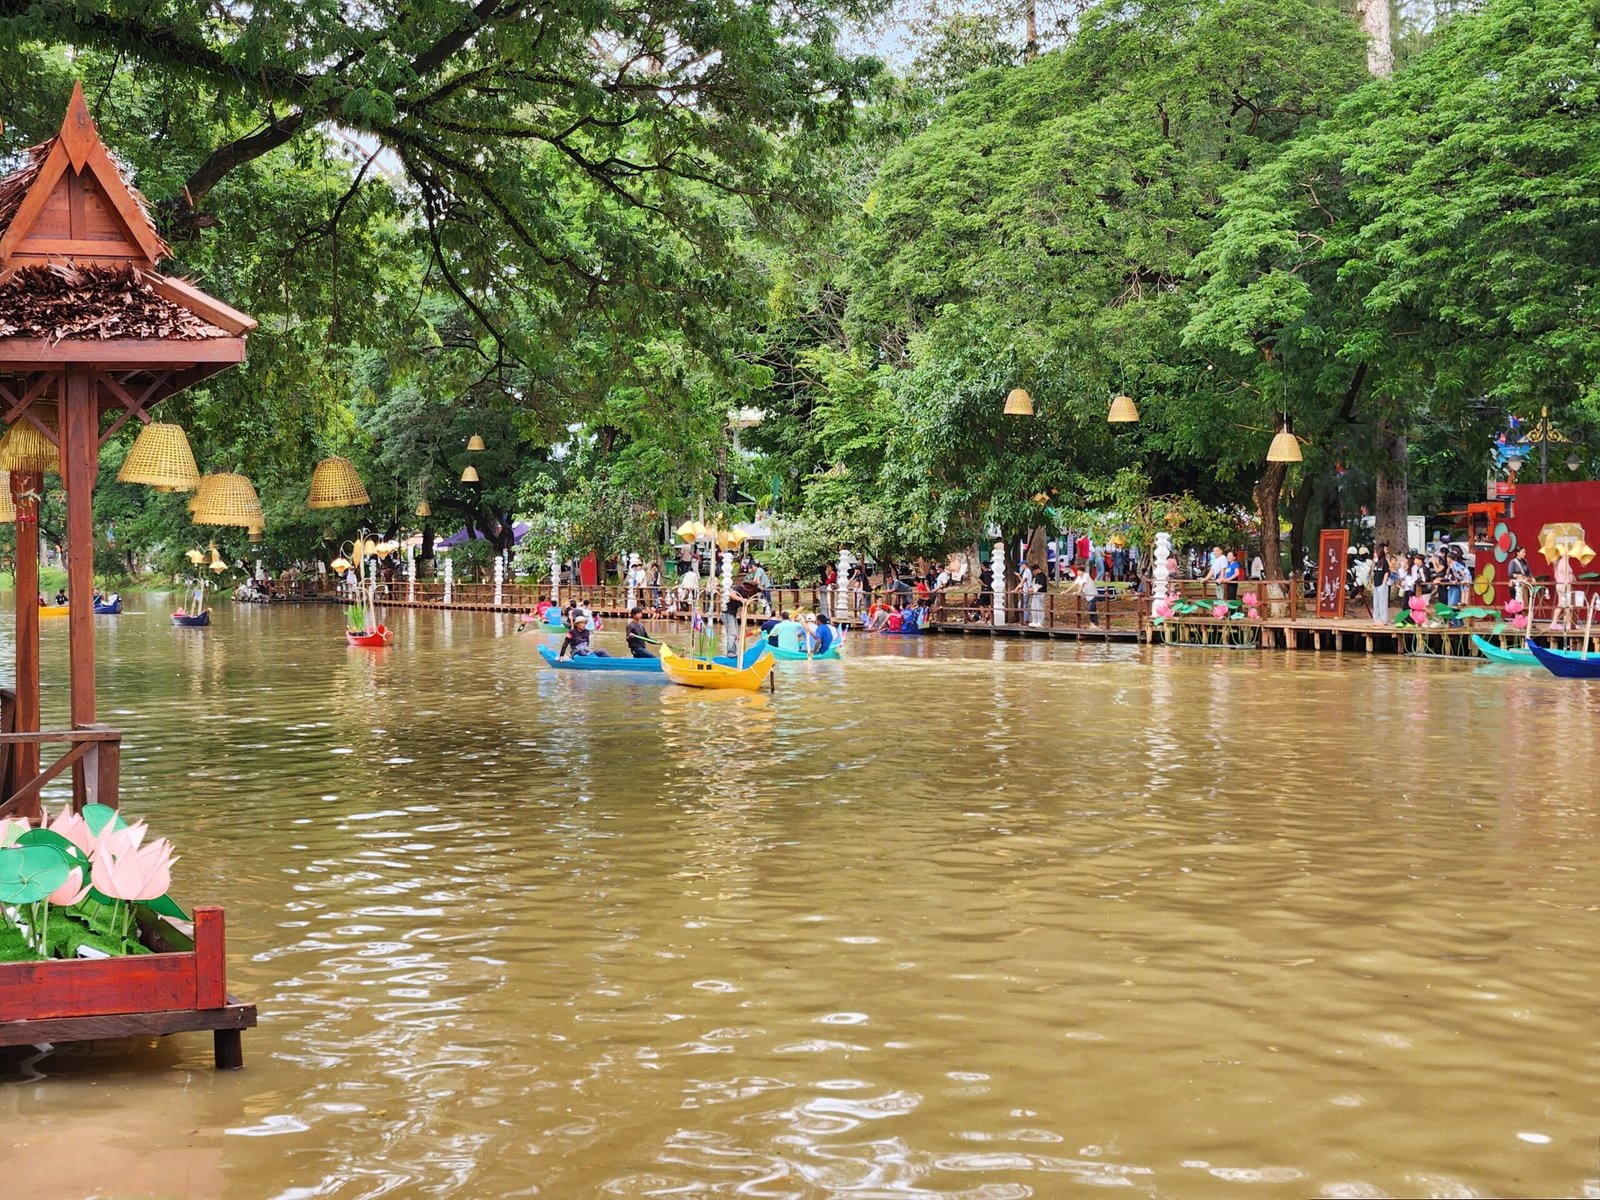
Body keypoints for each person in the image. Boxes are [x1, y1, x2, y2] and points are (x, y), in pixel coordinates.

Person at [723, 572, 760, 655]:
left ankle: (734, 651)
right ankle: (730, 652)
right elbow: (731, 594)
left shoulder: (747, 596)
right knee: (732, 632)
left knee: (735, 633)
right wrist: (741, 600)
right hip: (726, 612)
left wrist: (744, 624)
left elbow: (742, 610)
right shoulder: (739, 588)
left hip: (733, 613)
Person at [1071, 563, 1099, 627]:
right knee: (1093, 609)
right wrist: (1065, 591)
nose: (1078, 572)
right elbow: (1074, 585)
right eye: (1077, 571)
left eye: (1079, 571)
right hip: (1088, 596)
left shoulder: (1086, 576)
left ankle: (1093, 624)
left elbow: (1082, 584)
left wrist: (1078, 592)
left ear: (1083, 571)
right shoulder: (1079, 577)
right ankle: (1094, 624)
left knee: (1090, 609)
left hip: (1093, 595)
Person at [1553, 551, 1576, 629]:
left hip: (1559, 584)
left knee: (1560, 604)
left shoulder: (1559, 563)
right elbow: (1567, 575)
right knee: (1567, 604)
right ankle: (1569, 623)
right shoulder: (1564, 563)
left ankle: (1554, 623)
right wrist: (1570, 579)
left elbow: (1556, 575)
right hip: (1565, 585)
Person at [1370, 543, 1391, 625]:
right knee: (1376, 602)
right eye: (1386, 549)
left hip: (1382, 585)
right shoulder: (1377, 561)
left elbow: (1386, 573)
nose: (1387, 551)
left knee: (1383, 602)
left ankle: (1383, 619)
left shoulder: (1384, 562)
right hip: (1376, 584)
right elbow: (1374, 573)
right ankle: (1376, 619)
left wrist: (1383, 584)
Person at [1507, 545, 1532, 612]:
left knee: (1525, 602)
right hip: (1517, 585)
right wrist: (1518, 576)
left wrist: (1531, 578)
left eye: (1525, 552)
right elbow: (1510, 574)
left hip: (1525, 584)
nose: (1524, 554)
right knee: (1517, 603)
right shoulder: (1513, 562)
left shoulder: (1525, 562)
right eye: (1523, 552)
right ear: (1517, 553)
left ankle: (1524, 617)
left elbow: (1528, 573)